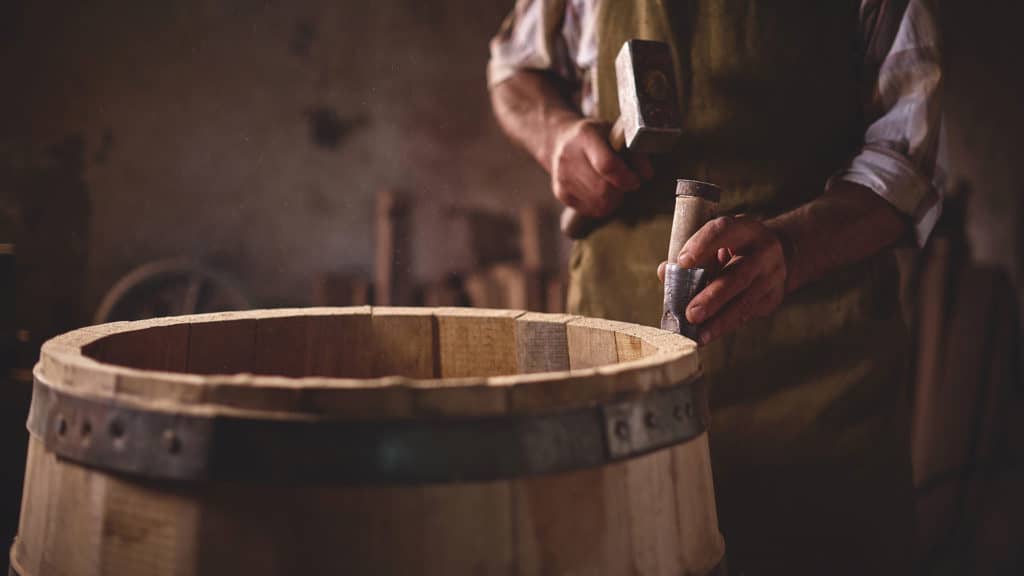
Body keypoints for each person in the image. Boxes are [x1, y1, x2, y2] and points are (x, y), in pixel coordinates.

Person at [488, 0, 942, 573]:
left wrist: (793, 249)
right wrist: (555, 135)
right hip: (623, 381)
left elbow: (905, 163)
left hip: (821, 391)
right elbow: (512, 66)